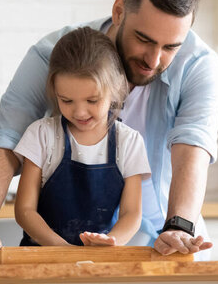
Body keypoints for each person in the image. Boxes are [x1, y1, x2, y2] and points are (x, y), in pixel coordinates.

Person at [0, 0, 218, 261]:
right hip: (69, 249)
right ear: (119, 11)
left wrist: (179, 225)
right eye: (143, 39)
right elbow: (5, 140)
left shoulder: (198, 65)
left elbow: (193, 148)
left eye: (170, 47)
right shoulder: (55, 56)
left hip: (168, 239)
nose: (154, 60)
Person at [14, 27, 151, 246]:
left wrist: (110, 243)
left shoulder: (129, 142)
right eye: (66, 100)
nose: (79, 112)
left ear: (114, 89)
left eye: (92, 101)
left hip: (98, 262)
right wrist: (62, 249)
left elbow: (131, 214)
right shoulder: (41, 134)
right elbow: (24, 210)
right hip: (42, 258)